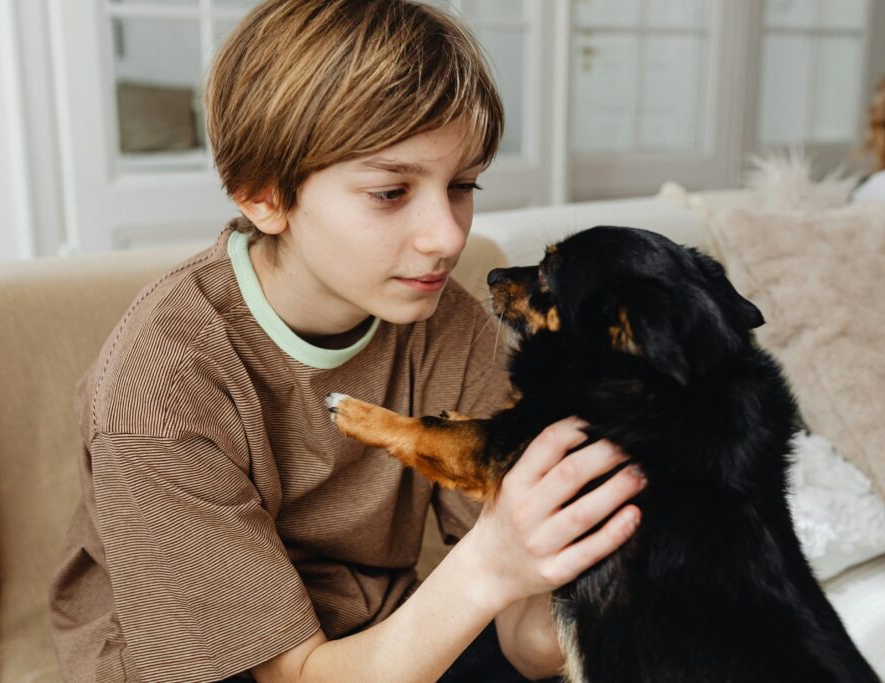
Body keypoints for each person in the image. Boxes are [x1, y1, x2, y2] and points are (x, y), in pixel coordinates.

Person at [48, 1, 646, 680]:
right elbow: (292, 675)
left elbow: (523, 635)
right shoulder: (160, 387)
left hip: (382, 637)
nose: (448, 237)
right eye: (391, 192)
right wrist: (491, 564)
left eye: (462, 186)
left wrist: (605, 572)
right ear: (263, 194)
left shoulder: (446, 325)